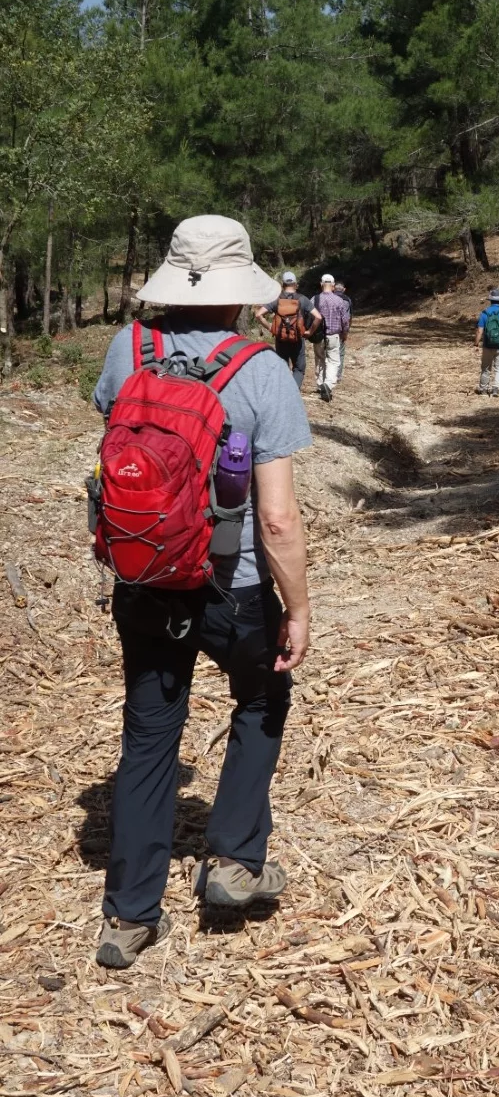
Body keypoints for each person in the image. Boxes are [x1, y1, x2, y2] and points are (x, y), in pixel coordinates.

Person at [91, 215, 312, 969]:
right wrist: (300, 607)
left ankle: (127, 916)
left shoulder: (130, 347)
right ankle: (234, 862)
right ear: (238, 291)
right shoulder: (261, 370)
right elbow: (276, 517)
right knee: (261, 699)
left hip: (146, 575)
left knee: (150, 732)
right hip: (234, 584)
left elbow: (116, 432)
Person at [254, 271, 322, 390]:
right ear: (296, 284)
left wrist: (270, 327)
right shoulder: (303, 299)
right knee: (299, 369)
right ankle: (293, 392)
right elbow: (318, 317)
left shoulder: (276, 299)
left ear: (282, 284)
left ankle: (283, 392)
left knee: (282, 367)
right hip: (297, 339)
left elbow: (259, 315)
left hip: (281, 339)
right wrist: (310, 332)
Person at [311, 273, 350, 402]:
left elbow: (308, 317)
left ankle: (320, 384)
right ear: (333, 286)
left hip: (318, 336)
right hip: (334, 335)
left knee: (320, 359)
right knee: (334, 361)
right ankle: (328, 384)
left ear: (321, 284)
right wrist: (345, 333)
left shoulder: (314, 299)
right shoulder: (340, 301)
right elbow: (345, 320)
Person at [475, 287, 499, 397]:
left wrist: (476, 343)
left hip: (487, 345)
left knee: (486, 368)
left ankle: (483, 389)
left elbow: (479, 331)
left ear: (490, 300)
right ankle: (495, 389)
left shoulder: (485, 313)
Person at [333, 281, 352, 384]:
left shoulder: (328, 298)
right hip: (340, 331)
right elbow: (347, 318)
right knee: (340, 353)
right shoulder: (347, 300)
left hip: (328, 331)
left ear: (333, 289)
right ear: (344, 290)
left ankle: (328, 375)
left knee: (329, 353)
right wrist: (346, 332)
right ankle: (338, 375)